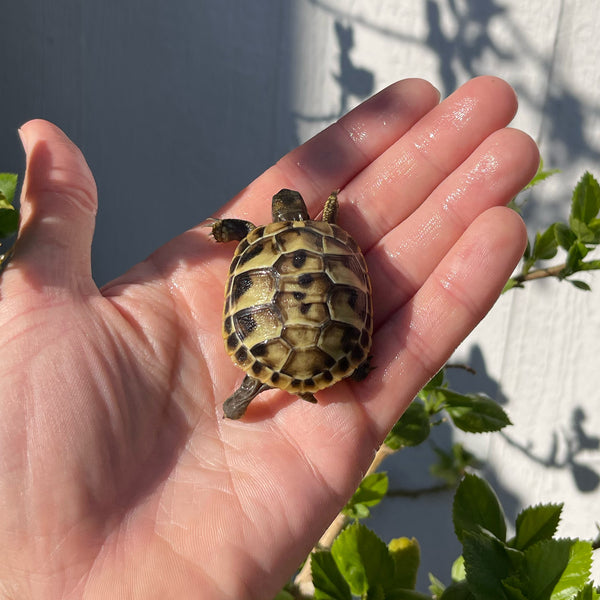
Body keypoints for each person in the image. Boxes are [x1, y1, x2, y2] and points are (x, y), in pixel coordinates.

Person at [0, 77, 538, 599]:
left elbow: (231, 233)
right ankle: (331, 370)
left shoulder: (259, 235)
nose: (285, 211)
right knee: (329, 351)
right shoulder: (330, 233)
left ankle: (249, 390)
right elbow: (339, 261)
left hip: (269, 345)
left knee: (259, 371)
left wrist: (223, 230)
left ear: (280, 216)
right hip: (333, 339)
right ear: (300, 214)